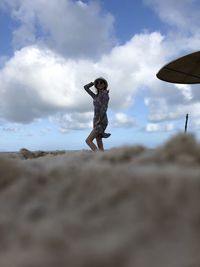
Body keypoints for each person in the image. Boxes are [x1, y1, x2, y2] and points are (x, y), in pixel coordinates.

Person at [84, 77, 111, 151]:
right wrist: (92, 83)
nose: (99, 84)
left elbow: (104, 109)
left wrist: (98, 121)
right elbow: (85, 87)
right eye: (97, 83)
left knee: (88, 141)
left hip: (101, 121)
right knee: (99, 141)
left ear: (105, 84)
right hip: (96, 120)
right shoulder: (95, 96)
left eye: (101, 82)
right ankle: (103, 159)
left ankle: (98, 157)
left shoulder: (105, 94)